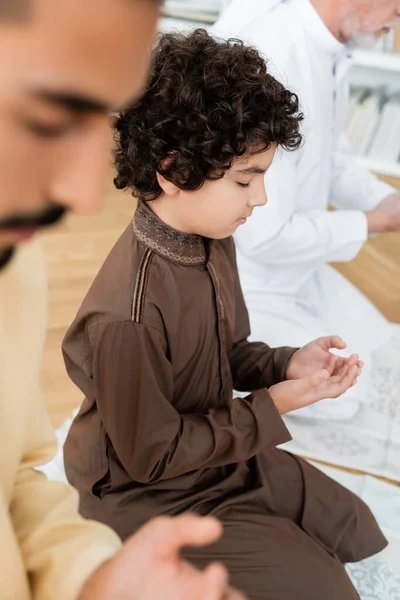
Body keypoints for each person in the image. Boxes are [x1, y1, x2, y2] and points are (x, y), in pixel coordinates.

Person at [62, 29, 386, 600]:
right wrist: (274, 406)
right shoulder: (127, 318)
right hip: (152, 496)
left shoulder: (211, 239)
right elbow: (152, 458)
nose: (259, 199)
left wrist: (287, 366)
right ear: (173, 170)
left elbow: (228, 353)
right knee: (327, 589)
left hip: (216, 455)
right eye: (246, 179)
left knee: (350, 522)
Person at [0, 2, 244, 599]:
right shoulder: (123, 313)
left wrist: (89, 577)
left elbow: (18, 478)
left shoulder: (14, 265)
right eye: (49, 119)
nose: (87, 193)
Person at [213, 0, 400, 424]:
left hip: (300, 268)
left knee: (387, 363)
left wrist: (385, 202)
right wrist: (375, 222)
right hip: (249, 283)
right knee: (346, 396)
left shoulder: (330, 49)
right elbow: (262, 234)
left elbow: (333, 158)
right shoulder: (273, 54)